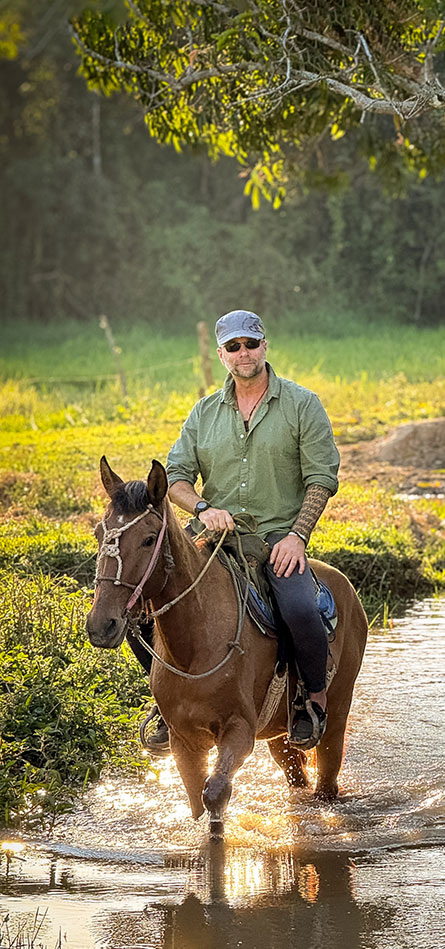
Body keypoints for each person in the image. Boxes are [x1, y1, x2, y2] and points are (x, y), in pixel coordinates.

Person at [138, 309, 340, 755]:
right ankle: (164, 702)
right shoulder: (204, 413)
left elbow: (321, 478)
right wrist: (203, 507)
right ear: (222, 355)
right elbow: (175, 478)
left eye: (250, 344)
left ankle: (311, 701)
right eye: (233, 347)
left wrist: (297, 537)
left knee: (301, 608)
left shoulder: (302, 404)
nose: (243, 353)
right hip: (213, 543)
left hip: (275, 541)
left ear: (265, 346)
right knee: (139, 607)